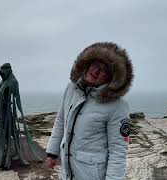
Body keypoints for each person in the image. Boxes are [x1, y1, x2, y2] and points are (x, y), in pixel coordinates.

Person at [46, 42, 134, 180]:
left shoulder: (117, 106)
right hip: (67, 173)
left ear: (111, 78)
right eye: (96, 64)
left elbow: (118, 151)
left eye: (105, 70)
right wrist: (52, 152)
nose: (97, 71)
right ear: (87, 62)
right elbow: (61, 120)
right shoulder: (71, 89)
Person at [0, 63, 42, 169]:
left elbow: (6, 96)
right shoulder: (4, 81)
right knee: (3, 132)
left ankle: (15, 153)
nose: (1, 74)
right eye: (0, 72)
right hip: (2, 112)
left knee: (12, 131)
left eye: (3, 72)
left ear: (8, 71)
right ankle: (2, 152)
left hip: (8, 113)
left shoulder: (13, 82)